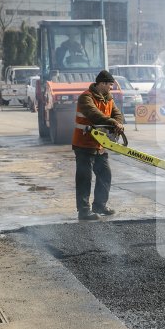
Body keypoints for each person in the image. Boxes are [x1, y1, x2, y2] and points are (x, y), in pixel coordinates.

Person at [72, 70, 125, 221]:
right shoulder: (86, 97)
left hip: (100, 145)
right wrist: (112, 122)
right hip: (84, 144)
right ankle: (83, 211)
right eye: (109, 85)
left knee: (105, 174)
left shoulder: (108, 98)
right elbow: (94, 114)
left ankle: (99, 205)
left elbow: (117, 114)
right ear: (101, 83)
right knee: (84, 178)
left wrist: (118, 123)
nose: (111, 88)